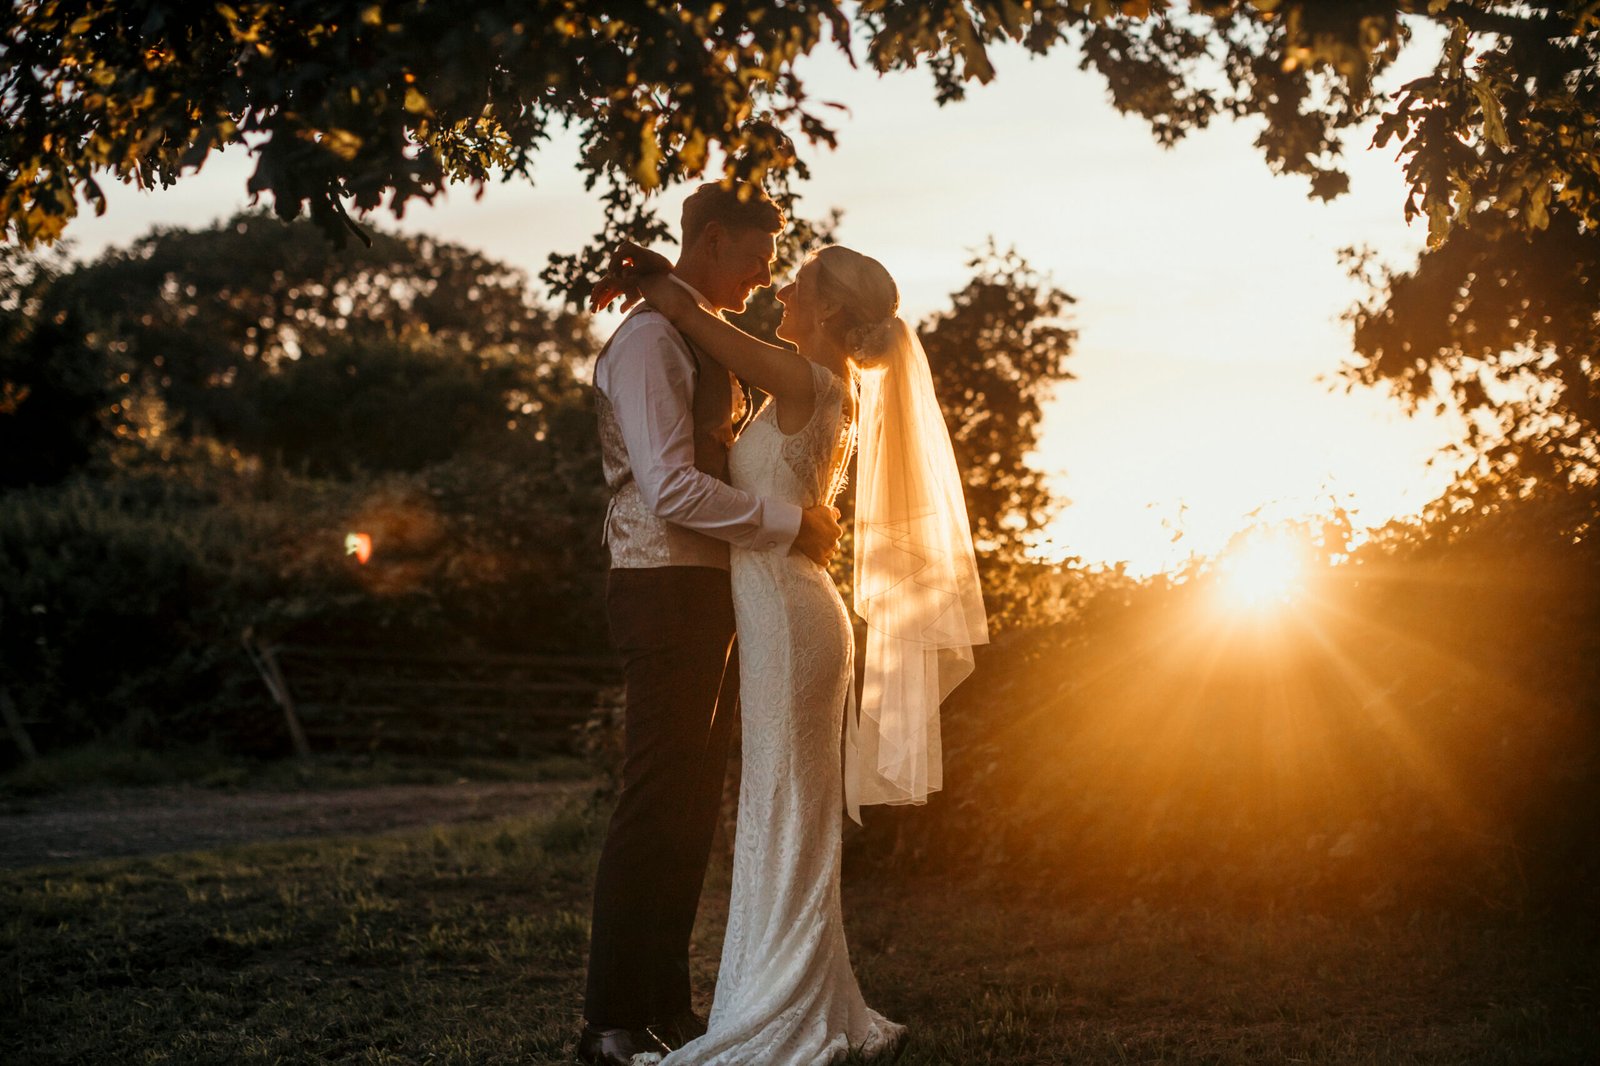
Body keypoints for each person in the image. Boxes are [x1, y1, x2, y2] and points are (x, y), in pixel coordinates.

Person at [589, 237, 988, 1064]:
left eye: (799, 281)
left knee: (785, 806)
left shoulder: (803, 377)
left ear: (832, 309)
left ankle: (786, 1000)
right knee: (780, 805)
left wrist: (655, 277)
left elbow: (695, 319)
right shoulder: (806, 380)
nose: (781, 288)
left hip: (790, 615)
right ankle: (782, 992)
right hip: (782, 612)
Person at [578, 182, 846, 1066]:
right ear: (717, 239)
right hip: (658, 585)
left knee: (690, 808)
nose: (767, 274)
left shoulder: (694, 334)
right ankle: (611, 1018)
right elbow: (671, 489)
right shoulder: (651, 343)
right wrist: (791, 525)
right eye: (757, 253)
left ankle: (665, 1004)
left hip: (712, 593)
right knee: (657, 797)